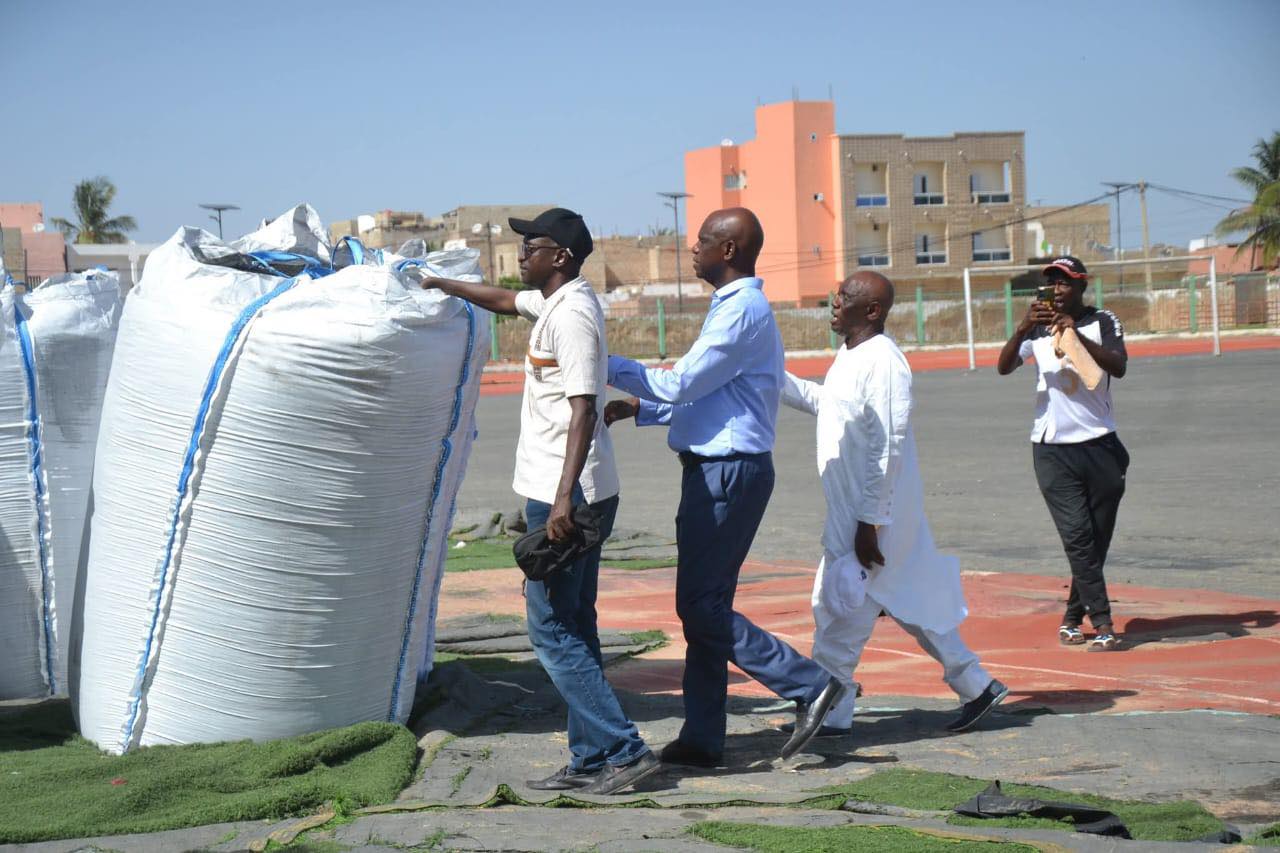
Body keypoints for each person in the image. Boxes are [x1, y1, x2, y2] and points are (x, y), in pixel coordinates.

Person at [416, 208, 658, 795]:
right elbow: (502, 299)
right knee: (577, 624)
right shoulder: (551, 302)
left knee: (551, 631)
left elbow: (582, 409)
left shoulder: (572, 316)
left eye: (533, 245)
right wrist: (441, 283)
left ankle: (625, 750)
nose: (521, 253)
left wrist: (560, 503)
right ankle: (591, 757)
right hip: (570, 492)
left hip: (568, 497)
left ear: (563, 257)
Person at [604, 207, 843, 766]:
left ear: (729, 250)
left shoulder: (743, 311)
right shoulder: (733, 309)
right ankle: (704, 735)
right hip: (720, 469)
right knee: (705, 606)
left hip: (728, 474)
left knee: (702, 606)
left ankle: (809, 684)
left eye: (703, 240)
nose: (693, 248)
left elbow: (686, 382)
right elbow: (713, 397)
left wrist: (605, 362)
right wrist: (643, 408)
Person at [781, 271, 1008, 736]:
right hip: (859, 513)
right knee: (906, 600)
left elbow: (889, 445)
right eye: (836, 293)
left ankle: (830, 713)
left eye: (844, 297)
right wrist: (771, 378)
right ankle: (976, 685)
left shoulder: (884, 362)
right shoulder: (851, 355)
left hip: (870, 518)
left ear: (873, 311)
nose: (833, 302)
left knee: (838, 608)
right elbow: (830, 404)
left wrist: (870, 522)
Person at [996, 256, 1129, 651]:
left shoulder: (1103, 321)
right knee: (1077, 537)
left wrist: (1077, 335)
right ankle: (1103, 623)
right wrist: (1021, 328)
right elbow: (1003, 367)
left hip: (1101, 446)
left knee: (1095, 540)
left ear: (1082, 286)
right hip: (1052, 450)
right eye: (1051, 282)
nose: (1056, 289)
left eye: (1065, 282)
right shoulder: (1036, 329)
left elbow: (1118, 367)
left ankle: (1073, 617)